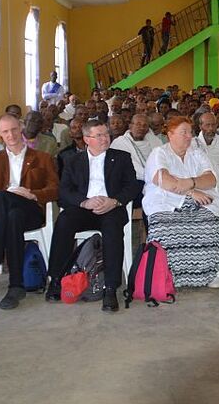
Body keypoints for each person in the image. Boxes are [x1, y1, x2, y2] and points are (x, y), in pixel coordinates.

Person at [45, 121, 141, 313]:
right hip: (84, 208)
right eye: (99, 135)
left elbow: (132, 186)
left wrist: (114, 201)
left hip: (111, 207)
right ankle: (56, 279)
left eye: (106, 134)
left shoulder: (121, 158)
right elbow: (64, 191)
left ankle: (110, 288)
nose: (105, 138)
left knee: (112, 230)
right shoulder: (73, 160)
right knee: (64, 221)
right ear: (87, 139)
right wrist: (84, 202)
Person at [0, 114, 59, 310]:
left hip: (32, 210)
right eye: (5, 131)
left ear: (21, 128)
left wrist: (32, 193)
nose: (11, 135)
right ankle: (16, 285)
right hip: (7, 214)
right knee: (11, 213)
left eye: (14, 129)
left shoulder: (42, 158)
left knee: (5, 201)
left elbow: (54, 189)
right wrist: (2, 195)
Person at [142, 116, 219, 288]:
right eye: (184, 132)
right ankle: (167, 276)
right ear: (170, 134)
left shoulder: (197, 153)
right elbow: (164, 181)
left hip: (198, 199)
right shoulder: (159, 153)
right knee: (164, 225)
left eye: (190, 132)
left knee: (208, 221)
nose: (189, 136)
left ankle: (208, 273)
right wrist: (191, 191)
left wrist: (191, 182)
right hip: (165, 202)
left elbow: (211, 179)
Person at [192, 111, 219, 186]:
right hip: (202, 186)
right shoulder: (193, 144)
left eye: (213, 125)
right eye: (207, 125)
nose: (211, 128)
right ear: (200, 126)